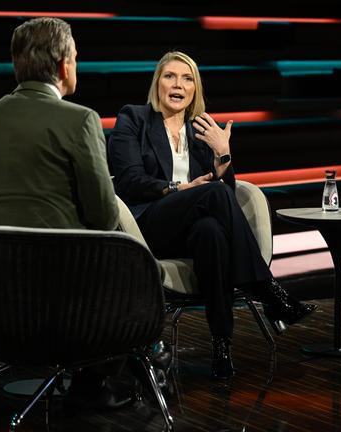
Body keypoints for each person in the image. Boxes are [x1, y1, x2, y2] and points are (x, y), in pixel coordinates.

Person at [108, 51, 317, 379]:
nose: (178, 84)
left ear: (195, 89)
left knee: (212, 233)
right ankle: (267, 290)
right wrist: (178, 188)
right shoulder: (133, 118)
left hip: (190, 231)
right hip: (148, 225)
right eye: (170, 76)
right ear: (157, 84)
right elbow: (128, 180)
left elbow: (226, 197)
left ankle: (221, 346)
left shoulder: (200, 130)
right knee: (212, 197)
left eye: (187, 78)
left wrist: (223, 154)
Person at [0, 17, 133, 409]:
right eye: (75, 57)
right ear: (63, 66)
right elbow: (105, 217)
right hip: (65, 303)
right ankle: (101, 378)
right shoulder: (80, 119)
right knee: (131, 269)